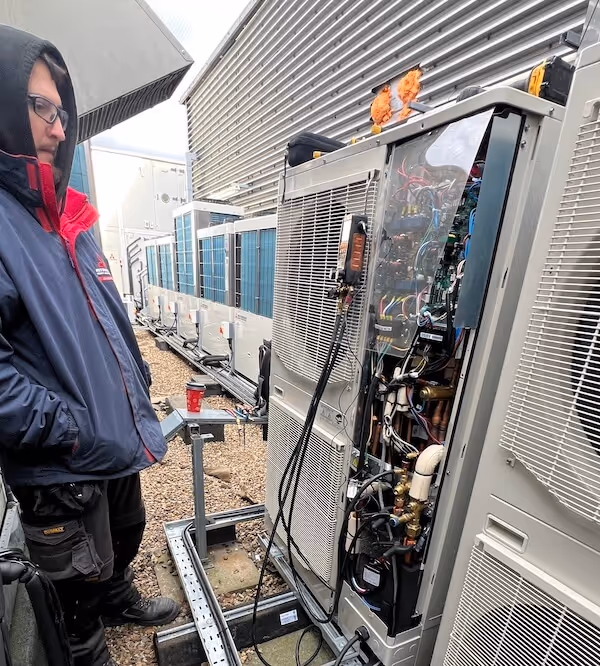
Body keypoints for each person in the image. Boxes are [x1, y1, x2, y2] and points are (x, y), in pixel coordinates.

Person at [0, 25, 179, 666]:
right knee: (73, 569)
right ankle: (85, 642)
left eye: (61, 110)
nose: (56, 126)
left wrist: (133, 386)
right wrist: (68, 426)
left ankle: (117, 596)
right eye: (39, 107)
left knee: (124, 531)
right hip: (59, 454)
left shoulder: (66, 216)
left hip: (108, 435)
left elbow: (102, 317)